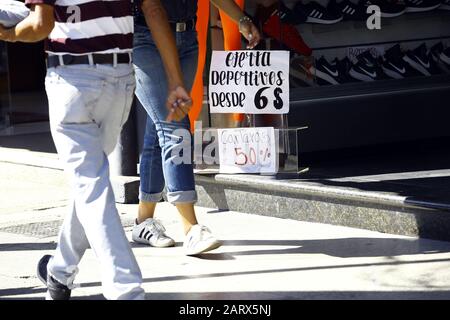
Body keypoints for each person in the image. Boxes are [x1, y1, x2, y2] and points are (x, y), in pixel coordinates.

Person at [0, 0, 192, 300]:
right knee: (91, 182)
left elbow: (41, 26)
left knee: (91, 185)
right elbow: (154, 10)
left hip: (73, 81)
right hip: (119, 81)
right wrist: (176, 81)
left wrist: (10, 35)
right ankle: (60, 270)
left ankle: (126, 289)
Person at [131, 0, 261, 256]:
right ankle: (191, 228)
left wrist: (241, 19)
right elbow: (153, 8)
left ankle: (143, 220)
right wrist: (175, 81)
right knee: (174, 129)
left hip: (186, 37)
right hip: (146, 37)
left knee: (160, 128)